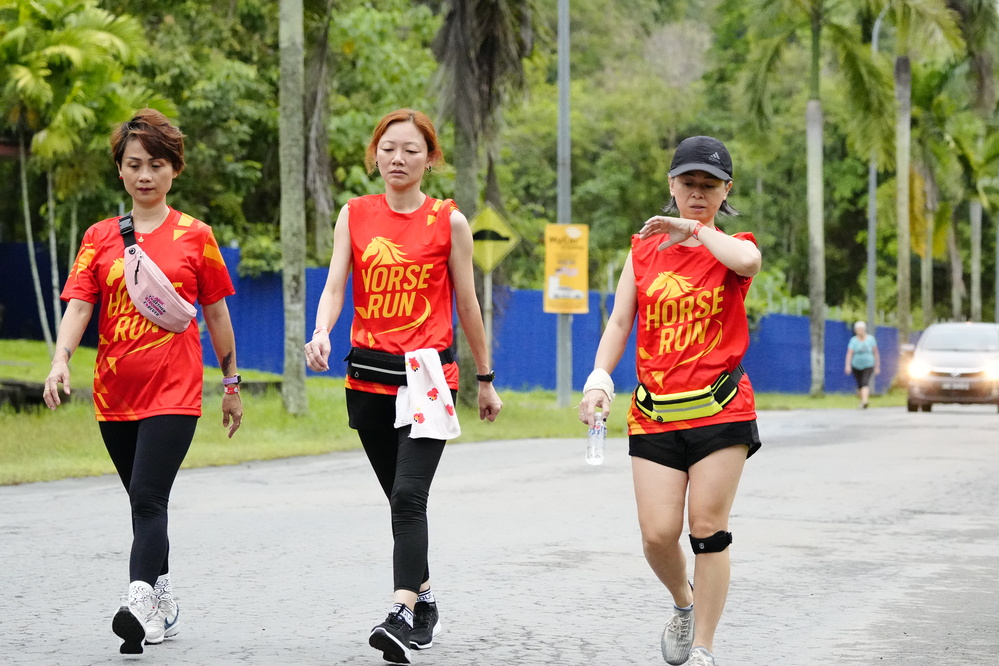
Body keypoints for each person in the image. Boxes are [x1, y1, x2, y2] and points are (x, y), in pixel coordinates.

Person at [304, 108, 502, 665]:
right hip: (367, 378)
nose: (398, 158)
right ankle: (426, 599)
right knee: (399, 499)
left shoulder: (448, 221)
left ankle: (399, 611)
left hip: (428, 380)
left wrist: (485, 379)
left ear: (430, 159)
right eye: (388, 148)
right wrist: (321, 331)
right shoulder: (355, 214)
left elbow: (468, 304)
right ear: (375, 155)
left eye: (411, 150)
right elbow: (335, 286)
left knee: (410, 496)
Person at [43, 109, 242, 655]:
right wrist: (60, 361)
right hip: (115, 394)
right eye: (134, 164)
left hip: (174, 392)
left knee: (150, 497)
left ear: (174, 169)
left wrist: (230, 383)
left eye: (156, 164)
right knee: (142, 501)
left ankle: (136, 604)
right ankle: (163, 599)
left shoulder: (196, 236)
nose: (145, 175)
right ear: (120, 170)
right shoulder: (99, 237)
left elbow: (217, 313)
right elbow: (80, 306)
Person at [578, 136, 762, 666]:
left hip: (721, 410)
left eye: (709, 185)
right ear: (672, 185)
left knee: (707, 529)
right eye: (688, 183)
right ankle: (684, 602)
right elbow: (620, 321)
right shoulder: (643, 251)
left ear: (726, 190)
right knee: (658, 535)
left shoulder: (732, 246)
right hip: (655, 412)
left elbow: (749, 262)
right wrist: (598, 379)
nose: (697, 193)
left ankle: (704, 646)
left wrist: (696, 231)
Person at [845, 320, 880, 408]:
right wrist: (848, 365)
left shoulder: (871, 339)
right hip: (856, 365)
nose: (860, 331)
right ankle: (862, 400)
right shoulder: (853, 340)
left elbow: (876, 352)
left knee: (865, 382)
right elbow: (849, 353)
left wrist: (877, 366)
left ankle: (865, 401)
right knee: (859, 384)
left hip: (868, 364)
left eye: (861, 329)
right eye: (858, 329)